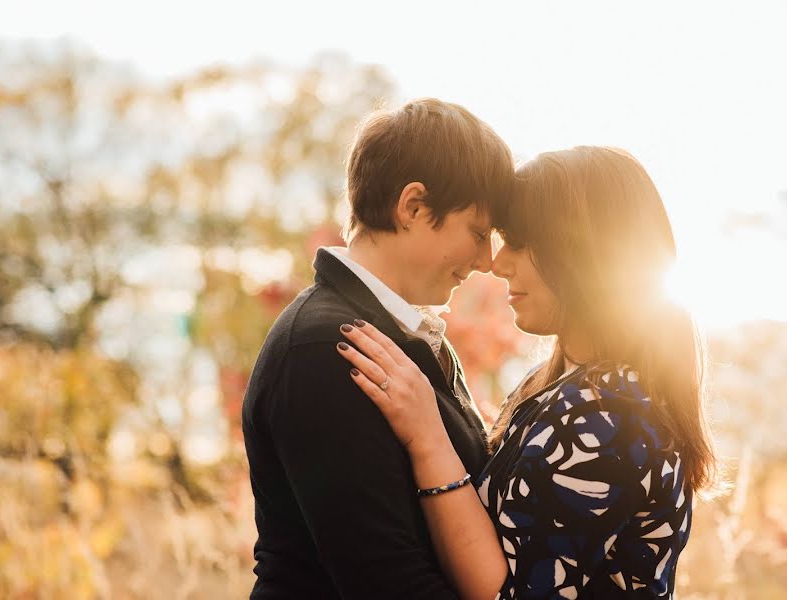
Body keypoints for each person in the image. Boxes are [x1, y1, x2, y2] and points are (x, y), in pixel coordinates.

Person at [337, 146, 719, 599]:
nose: (497, 263)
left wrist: (427, 439)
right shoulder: (561, 388)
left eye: (518, 241)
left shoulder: (608, 417)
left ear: (580, 250)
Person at [241, 97, 515, 598]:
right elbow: (387, 581)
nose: (485, 261)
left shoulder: (397, 332)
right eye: (477, 234)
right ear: (412, 206)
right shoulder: (328, 348)